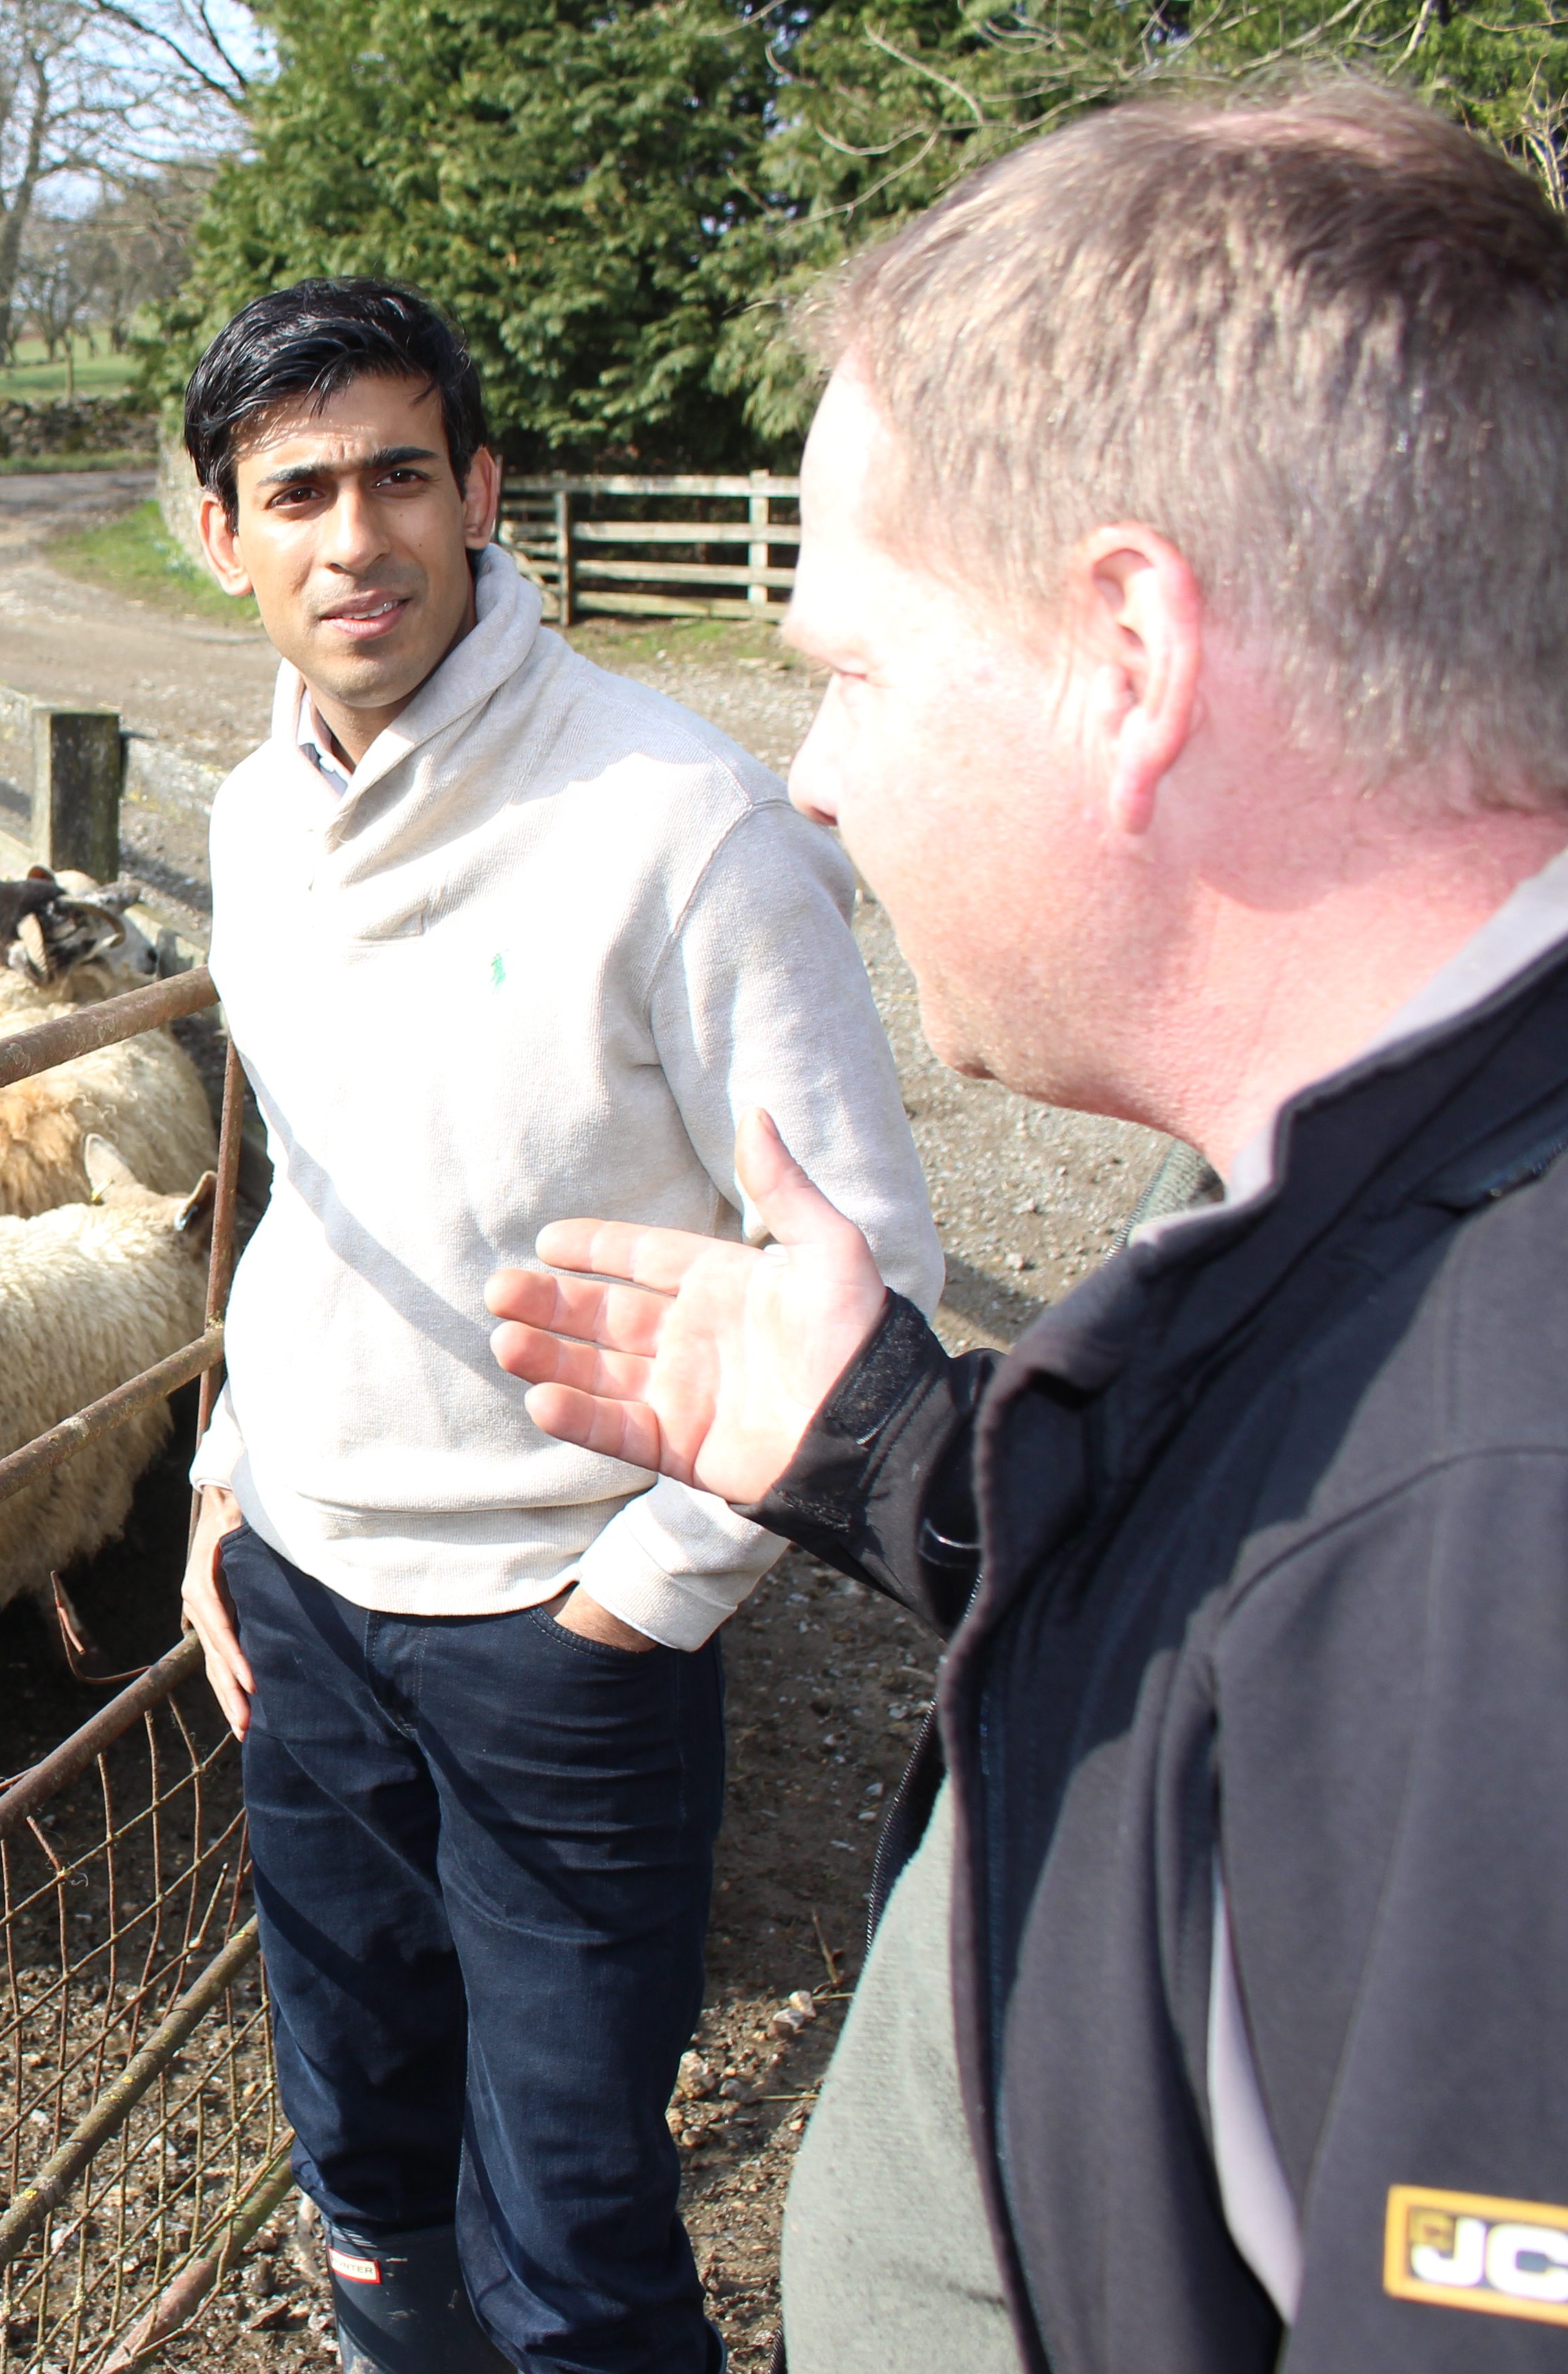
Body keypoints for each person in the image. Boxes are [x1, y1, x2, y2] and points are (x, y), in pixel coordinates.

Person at [479, 82, 1568, 2374]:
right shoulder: (1361, 1171)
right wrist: (905, 1464)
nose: (818, 775)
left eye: (854, 665)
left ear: (1129, 657)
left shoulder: (1498, 1543)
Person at [172, 278, 942, 2374]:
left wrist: (646, 1596)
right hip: (305, 1611)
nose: (358, 538)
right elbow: (314, 1194)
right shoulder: (253, 826)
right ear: (221, 533)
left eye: (402, 475)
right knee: (363, 2155)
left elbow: (870, 1260)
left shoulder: (677, 824)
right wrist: (228, 1469)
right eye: (299, 491)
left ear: (486, 493)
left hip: (557, 1629)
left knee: (574, 2216)